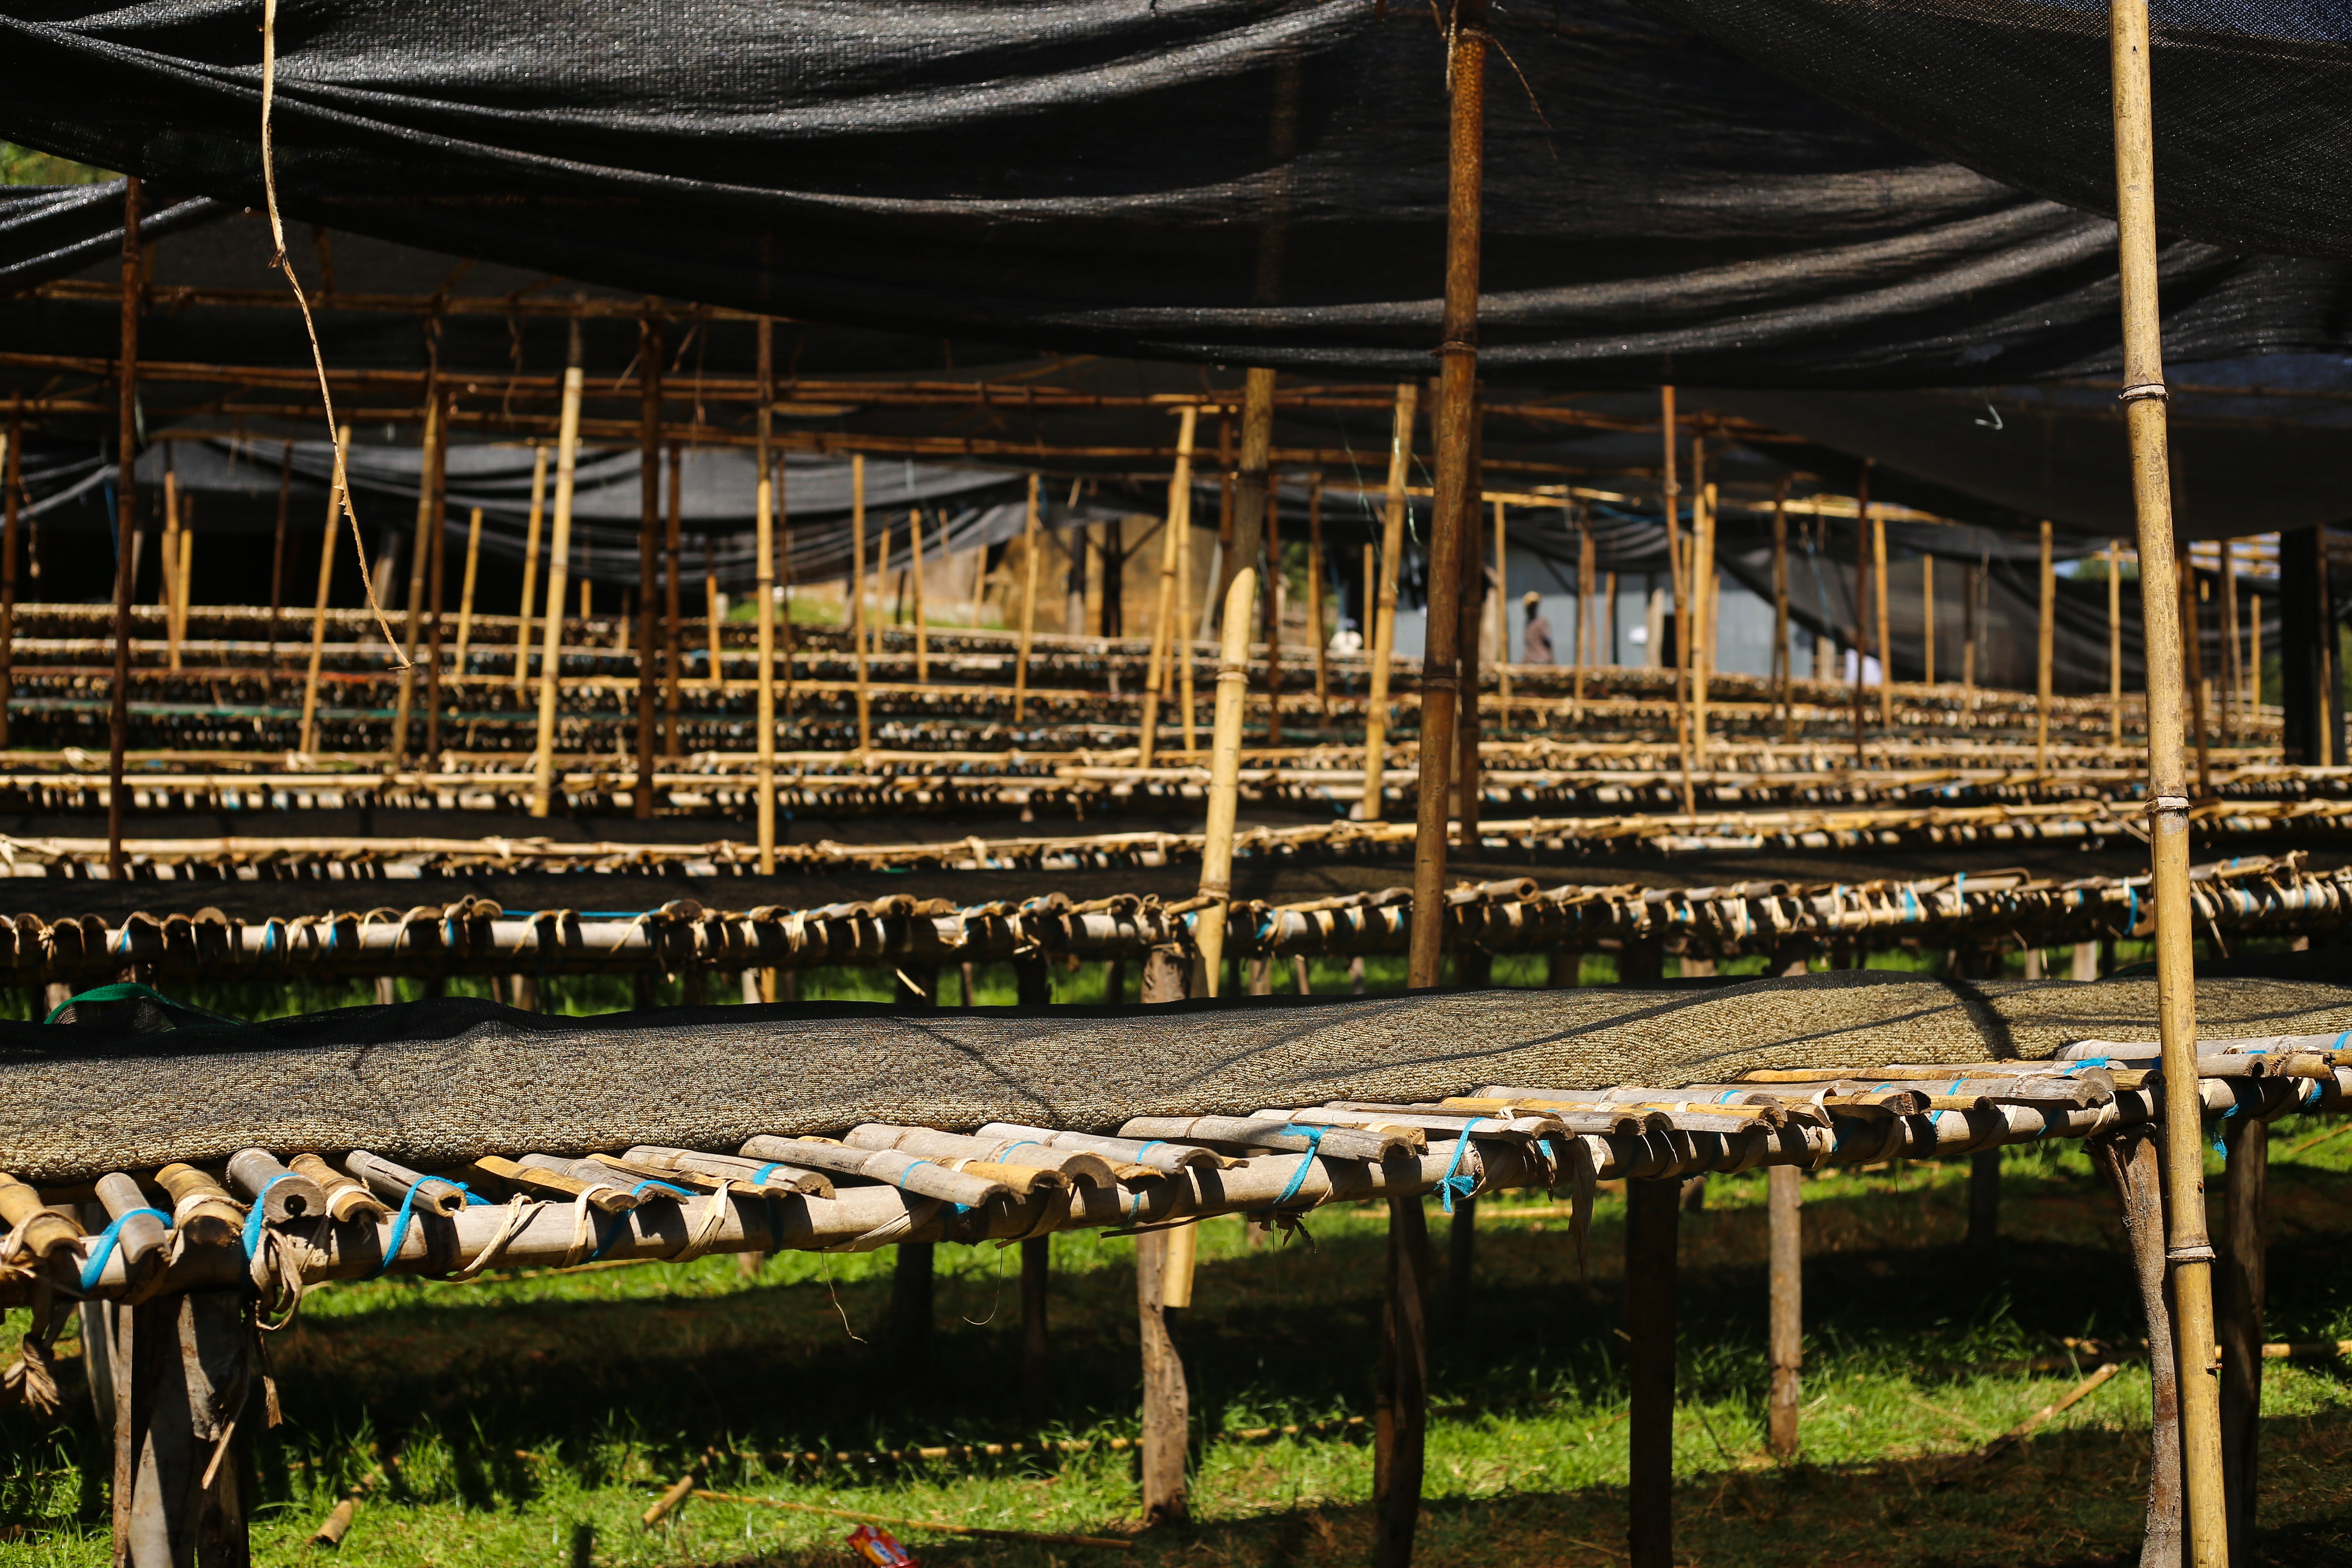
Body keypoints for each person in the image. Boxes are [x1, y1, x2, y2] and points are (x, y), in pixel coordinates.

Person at [1519, 591, 1554, 665]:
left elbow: (1548, 641)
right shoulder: (1528, 623)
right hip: (1530, 662)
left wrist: (1552, 660)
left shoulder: (1541, 622)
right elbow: (1529, 646)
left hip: (1542, 661)